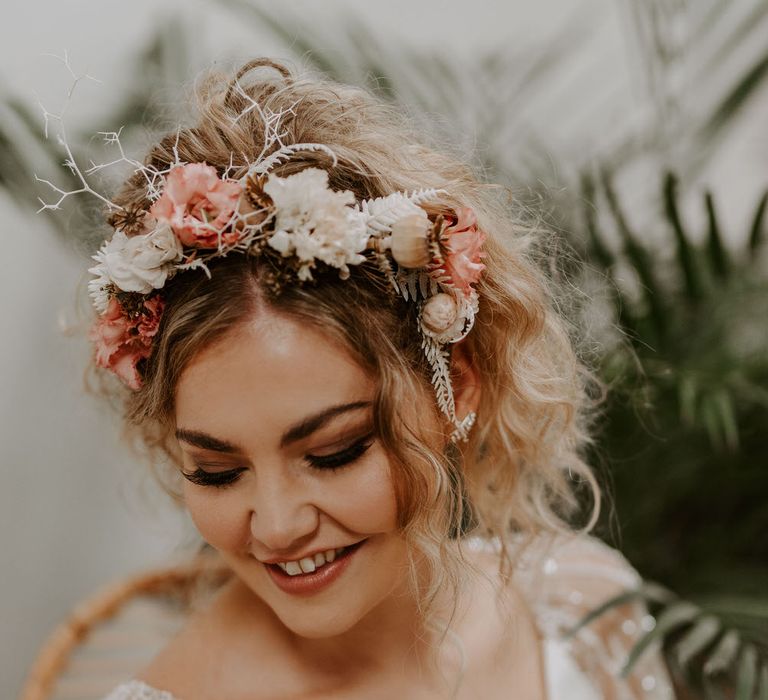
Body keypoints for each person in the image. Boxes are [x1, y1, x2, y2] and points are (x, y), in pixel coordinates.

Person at [77, 58, 674, 699]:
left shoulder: (581, 607)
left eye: (335, 453)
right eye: (216, 471)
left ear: (458, 387)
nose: (277, 527)